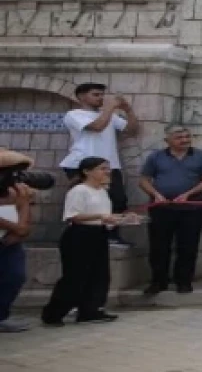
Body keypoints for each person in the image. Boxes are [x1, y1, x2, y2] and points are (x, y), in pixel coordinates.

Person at [139, 125, 202, 296]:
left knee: (188, 246)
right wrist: (156, 195)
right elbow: (144, 180)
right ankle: (159, 281)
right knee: (159, 246)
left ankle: (184, 281)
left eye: (187, 137)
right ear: (167, 140)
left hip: (192, 208)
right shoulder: (155, 157)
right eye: (179, 137)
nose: (185, 140)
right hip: (161, 209)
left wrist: (188, 194)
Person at [42, 157, 122, 325]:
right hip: (80, 236)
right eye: (102, 168)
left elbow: (104, 216)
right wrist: (100, 216)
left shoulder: (103, 191)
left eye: (108, 169)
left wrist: (119, 219)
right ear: (87, 171)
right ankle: (54, 313)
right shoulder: (79, 190)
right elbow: (73, 216)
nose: (107, 172)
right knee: (76, 276)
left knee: (99, 275)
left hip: (99, 234)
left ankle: (90, 310)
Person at [60, 82, 140, 246]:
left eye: (102, 95)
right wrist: (109, 108)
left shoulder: (109, 116)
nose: (101, 98)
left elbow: (131, 131)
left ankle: (111, 235)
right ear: (82, 97)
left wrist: (128, 110)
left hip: (110, 165)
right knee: (85, 201)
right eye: (96, 95)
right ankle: (79, 234)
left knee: (118, 200)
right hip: (82, 164)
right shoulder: (74, 114)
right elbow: (97, 126)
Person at [0, 151, 35, 333]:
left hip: (9, 245)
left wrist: (25, 202)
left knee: (14, 277)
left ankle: (1, 316)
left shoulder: (17, 193)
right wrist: (16, 228)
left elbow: (24, 225)